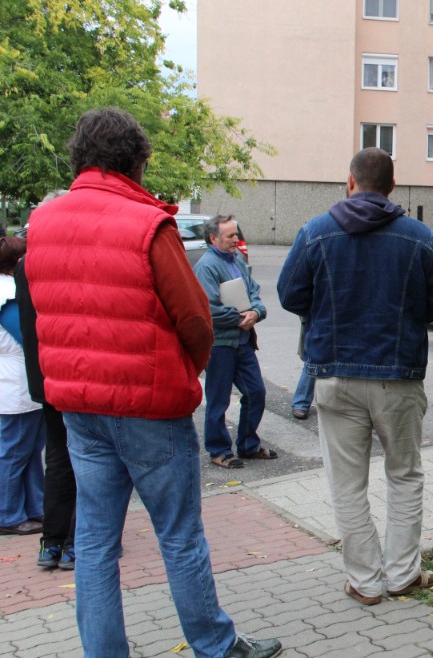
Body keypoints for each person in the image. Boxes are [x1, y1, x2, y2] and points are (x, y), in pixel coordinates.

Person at [24, 107, 280, 658]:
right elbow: (194, 318)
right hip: (149, 406)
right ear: (136, 162)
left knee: (95, 541)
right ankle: (216, 646)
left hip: (79, 403)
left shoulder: (42, 222)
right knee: (179, 535)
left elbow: (46, 306)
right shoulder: (148, 225)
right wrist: (187, 369)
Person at [278, 147, 433, 605]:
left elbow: (289, 294)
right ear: (392, 186)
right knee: (405, 474)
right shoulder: (420, 236)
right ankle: (402, 574)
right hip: (399, 375)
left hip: (335, 374)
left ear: (350, 182)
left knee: (346, 482)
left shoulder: (315, 232)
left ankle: (365, 581)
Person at [195, 215, 277, 469]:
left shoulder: (237, 260)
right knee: (218, 399)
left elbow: (254, 292)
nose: (236, 239)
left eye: (236, 234)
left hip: (243, 341)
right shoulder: (206, 267)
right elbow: (208, 309)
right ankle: (219, 450)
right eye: (230, 235)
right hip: (220, 344)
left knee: (256, 392)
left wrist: (256, 312)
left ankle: (248, 445)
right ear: (213, 238)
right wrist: (241, 317)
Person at [14, 242, 77, 569]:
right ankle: (73, 542)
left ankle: (52, 543)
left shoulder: (27, 263)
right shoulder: (70, 260)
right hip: (73, 376)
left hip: (45, 376)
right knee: (86, 461)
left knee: (58, 459)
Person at [0, 236, 45, 538]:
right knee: (15, 452)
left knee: (27, 451)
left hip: (18, 381)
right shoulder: (8, 293)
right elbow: (28, 335)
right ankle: (7, 514)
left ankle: (34, 507)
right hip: (16, 383)